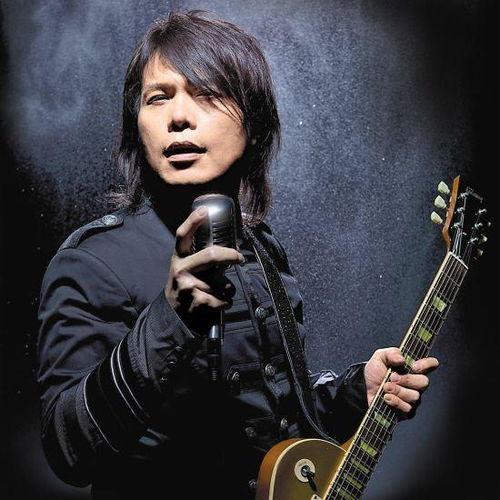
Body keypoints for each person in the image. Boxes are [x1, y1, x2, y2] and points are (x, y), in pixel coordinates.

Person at [36, 10, 438, 500]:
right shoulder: (93, 262)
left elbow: (277, 422)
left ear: (254, 123)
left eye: (207, 94)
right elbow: (68, 450)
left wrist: (358, 392)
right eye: (158, 97)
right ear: (136, 126)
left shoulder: (261, 249)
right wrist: (171, 319)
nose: (178, 117)